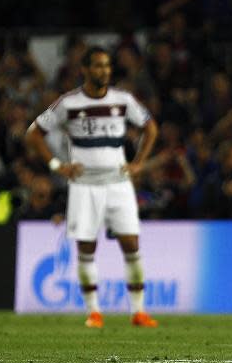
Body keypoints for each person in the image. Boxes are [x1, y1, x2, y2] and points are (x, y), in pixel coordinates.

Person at [25, 46, 160, 328]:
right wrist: (57, 166)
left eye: (107, 66)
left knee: (131, 244)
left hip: (118, 183)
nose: (104, 71)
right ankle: (94, 312)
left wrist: (138, 163)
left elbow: (151, 127)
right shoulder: (68, 103)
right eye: (98, 66)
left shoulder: (123, 100)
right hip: (84, 185)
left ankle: (138, 311)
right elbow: (33, 133)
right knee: (86, 247)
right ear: (84, 70)